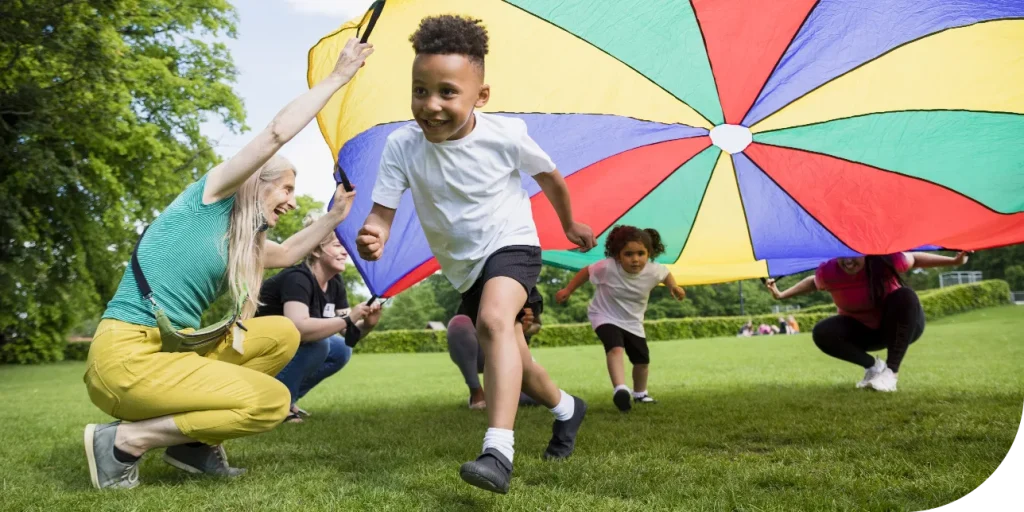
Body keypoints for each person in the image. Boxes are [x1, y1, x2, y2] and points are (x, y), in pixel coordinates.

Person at [81, 38, 373, 490]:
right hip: (125, 360)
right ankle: (125, 441)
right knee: (271, 402)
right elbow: (277, 132)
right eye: (287, 190)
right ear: (258, 183)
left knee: (280, 333)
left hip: (170, 353)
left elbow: (291, 253)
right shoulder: (210, 198)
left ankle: (190, 446)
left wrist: (335, 216)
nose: (293, 203)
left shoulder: (241, 242)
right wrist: (338, 78)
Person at [354, 15, 595, 494]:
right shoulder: (402, 146)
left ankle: (498, 451)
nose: (431, 105)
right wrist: (373, 233)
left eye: (447, 92)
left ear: (480, 96)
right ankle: (568, 409)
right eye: (420, 91)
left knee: (492, 323)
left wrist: (568, 223)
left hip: (512, 244)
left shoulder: (504, 135)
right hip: (465, 267)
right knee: (517, 363)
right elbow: (381, 213)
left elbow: (550, 177)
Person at [765, 251, 970, 392]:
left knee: (905, 295)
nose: (848, 261)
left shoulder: (886, 260)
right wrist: (782, 295)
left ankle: (891, 373)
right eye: (842, 256)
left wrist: (954, 261)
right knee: (822, 331)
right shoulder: (829, 271)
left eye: (854, 255)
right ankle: (873, 367)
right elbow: (813, 282)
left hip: (901, 327)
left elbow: (914, 259)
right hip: (864, 332)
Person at [256, 213, 383, 423]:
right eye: (337, 245)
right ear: (315, 249)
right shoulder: (298, 279)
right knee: (319, 344)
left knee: (341, 349)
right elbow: (299, 328)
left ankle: (288, 399)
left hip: (286, 347)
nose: (345, 252)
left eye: (345, 246)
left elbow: (347, 335)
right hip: (258, 347)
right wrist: (348, 319)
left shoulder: (335, 283)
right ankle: (275, 405)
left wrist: (367, 324)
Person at [555, 226, 685, 412]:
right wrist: (568, 290)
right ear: (617, 255)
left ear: (649, 253)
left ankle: (640, 394)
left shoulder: (653, 270)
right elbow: (586, 271)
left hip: (633, 322)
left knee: (642, 361)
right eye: (628, 254)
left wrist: (674, 287)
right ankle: (620, 389)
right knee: (615, 348)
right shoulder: (607, 267)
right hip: (604, 315)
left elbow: (665, 274)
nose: (635, 259)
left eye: (641, 253)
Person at [447, 305, 543, 410]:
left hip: (513, 351)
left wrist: (522, 328)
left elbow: (537, 324)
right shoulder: (474, 291)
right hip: (483, 349)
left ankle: (499, 393)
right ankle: (476, 393)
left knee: (539, 395)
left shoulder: (528, 291)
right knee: (458, 323)